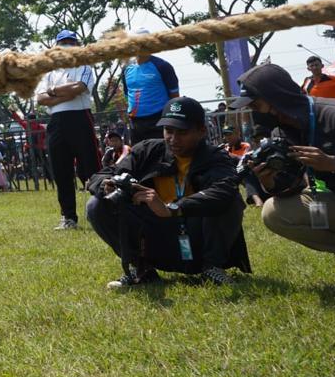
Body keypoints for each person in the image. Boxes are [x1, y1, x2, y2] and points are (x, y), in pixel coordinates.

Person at [232, 63, 335, 287]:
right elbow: (293, 185)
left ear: (275, 98)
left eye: (256, 105)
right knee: (274, 212)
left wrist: (334, 163)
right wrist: (270, 183)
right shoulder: (282, 133)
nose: (254, 112)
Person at [86, 97, 251, 288]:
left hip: (199, 235)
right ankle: (142, 269)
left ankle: (211, 267)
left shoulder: (216, 157)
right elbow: (102, 174)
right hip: (157, 236)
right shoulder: (148, 150)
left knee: (231, 198)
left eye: (182, 132)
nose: (173, 138)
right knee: (96, 204)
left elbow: (223, 191)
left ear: (201, 131)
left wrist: (171, 208)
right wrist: (106, 185)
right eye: (168, 131)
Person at [36, 29, 101, 230]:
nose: (66, 46)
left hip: (80, 117)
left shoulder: (84, 65)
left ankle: (103, 209)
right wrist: (64, 93)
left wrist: (53, 93)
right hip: (56, 121)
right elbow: (40, 98)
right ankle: (68, 217)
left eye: (70, 42)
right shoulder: (49, 71)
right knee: (61, 170)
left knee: (90, 167)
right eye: (62, 42)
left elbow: (79, 88)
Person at [121, 30, 180, 142]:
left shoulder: (162, 66)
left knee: (161, 156)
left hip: (159, 120)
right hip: (136, 122)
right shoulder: (126, 68)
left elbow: (175, 96)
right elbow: (127, 93)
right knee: (139, 156)